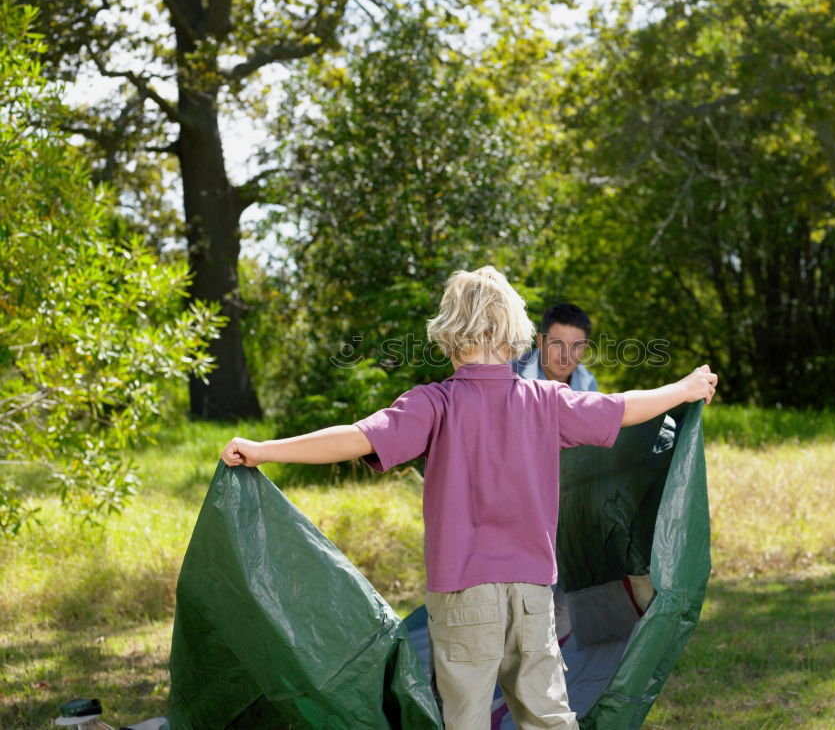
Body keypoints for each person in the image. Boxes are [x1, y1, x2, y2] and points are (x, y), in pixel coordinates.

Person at [220, 265, 718, 730]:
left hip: (462, 595)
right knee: (547, 714)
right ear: (515, 339)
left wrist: (265, 450)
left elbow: (356, 437)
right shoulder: (545, 401)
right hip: (532, 594)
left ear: (449, 335)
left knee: (466, 717)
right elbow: (622, 408)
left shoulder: (433, 403)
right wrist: (685, 386)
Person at [511, 303, 598, 391]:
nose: (565, 355)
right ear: (540, 341)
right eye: (557, 343)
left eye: (576, 345)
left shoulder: (588, 384)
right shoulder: (509, 376)